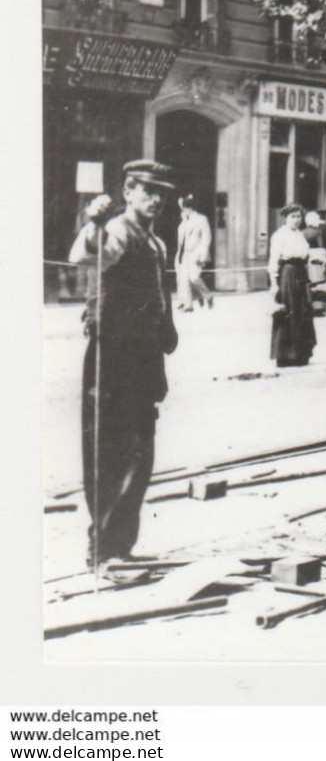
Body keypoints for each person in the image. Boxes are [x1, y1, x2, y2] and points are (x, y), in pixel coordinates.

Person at [67, 160, 179, 577]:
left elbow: (160, 294)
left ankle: (121, 547)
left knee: (141, 452)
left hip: (144, 358)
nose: (156, 200)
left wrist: (167, 329)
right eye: (147, 191)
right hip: (113, 356)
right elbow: (85, 256)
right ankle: (104, 550)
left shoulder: (156, 243)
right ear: (128, 191)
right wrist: (92, 223)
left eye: (161, 194)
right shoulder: (116, 231)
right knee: (111, 450)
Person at [268, 204, 316, 368]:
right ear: (285, 218)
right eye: (292, 217)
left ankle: (301, 354)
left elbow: (307, 254)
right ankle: (285, 355)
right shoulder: (279, 235)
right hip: (287, 274)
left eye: (298, 217)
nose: (296, 220)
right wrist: (274, 284)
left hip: (300, 274)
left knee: (302, 312)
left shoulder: (300, 235)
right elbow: (273, 259)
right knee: (289, 313)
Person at [174, 194, 213, 312]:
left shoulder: (201, 219)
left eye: (185, 208)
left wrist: (203, 255)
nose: (184, 210)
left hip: (196, 253)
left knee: (194, 278)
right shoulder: (184, 222)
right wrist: (184, 220)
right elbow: (181, 239)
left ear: (190, 208)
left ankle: (208, 296)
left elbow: (207, 238)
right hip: (184, 254)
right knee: (184, 279)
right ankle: (188, 305)